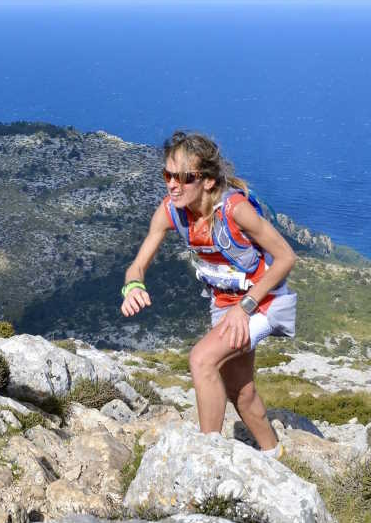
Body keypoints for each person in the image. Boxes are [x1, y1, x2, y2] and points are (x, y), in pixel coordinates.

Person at [120, 131, 297, 457]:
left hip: (262, 302)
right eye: (167, 175)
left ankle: (207, 457)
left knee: (202, 359)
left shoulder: (235, 210)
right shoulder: (170, 212)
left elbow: (286, 257)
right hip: (225, 305)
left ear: (209, 182)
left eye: (185, 177)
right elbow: (137, 265)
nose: (173, 184)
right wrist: (133, 286)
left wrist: (245, 307)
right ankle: (275, 455)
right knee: (239, 392)